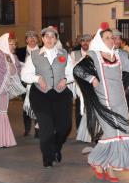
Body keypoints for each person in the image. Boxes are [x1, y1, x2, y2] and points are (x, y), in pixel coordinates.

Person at [74, 23, 129, 181]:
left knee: (122, 134)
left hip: (120, 102)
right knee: (110, 134)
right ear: (100, 40)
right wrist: (91, 78)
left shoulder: (120, 55)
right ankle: (97, 161)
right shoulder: (94, 55)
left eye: (112, 38)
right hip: (103, 103)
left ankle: (108, 166)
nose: (111, 40)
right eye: (107, 38)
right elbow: (78, 70)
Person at [21, 26, 74, 168]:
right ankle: (48, 157)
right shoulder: (34, 55)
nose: (50, 39)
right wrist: (38, 78)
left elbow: (71, 73)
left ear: (56, 39)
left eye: (53, 36)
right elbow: (24, 75)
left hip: (61, 95)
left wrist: (65, 79)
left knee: (65, 127)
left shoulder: (64, 54)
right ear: (42, 39)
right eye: (47, 36)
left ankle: (56, 148)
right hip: (40, 96)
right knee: (46, 129)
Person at [16, 30, 41, 137]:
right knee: (26, 106)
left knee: (38, 107)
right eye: (29, 37)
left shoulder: (43, 51)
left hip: (38, 82)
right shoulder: (20, 51)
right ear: (26, 40)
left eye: (34, 37)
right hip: (24, 83)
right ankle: (26, 129)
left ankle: (38, 130)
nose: (32, 39)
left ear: (38, 39)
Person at [70, 34, 92, 130]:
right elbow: (71, 69)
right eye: (83, 41)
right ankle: (79, 130)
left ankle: (91, 130)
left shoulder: (94, 53)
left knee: (91, 108)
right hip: (79, 85)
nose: (85, 43)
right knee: (80, 107)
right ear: (80, 42)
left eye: (88, 40)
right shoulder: (74, 54)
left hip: (92, 85)